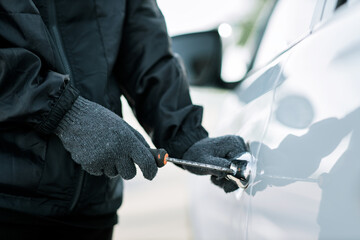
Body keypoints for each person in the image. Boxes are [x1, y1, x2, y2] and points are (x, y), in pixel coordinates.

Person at [0, 0, 247, 239]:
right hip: (9, 203)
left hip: (92, 209)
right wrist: (66, 115)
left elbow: (144, 44)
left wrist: (184, 135)